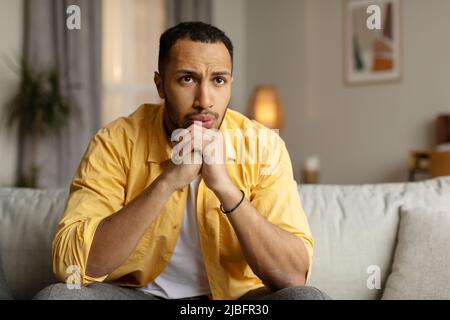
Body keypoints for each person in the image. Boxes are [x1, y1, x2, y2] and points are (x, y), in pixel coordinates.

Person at [34, 21, 329, 300]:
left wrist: (225, 188)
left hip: (236, 302)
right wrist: (168, 181)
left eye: (218, 80)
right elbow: (70, 264)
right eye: (187, 79)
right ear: (160, 85)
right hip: (139, 295)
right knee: (57, 296)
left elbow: (293, 276)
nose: (204, 99)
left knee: (307, 298)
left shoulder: (263, 146)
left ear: (229, 84)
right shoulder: (115, 142)